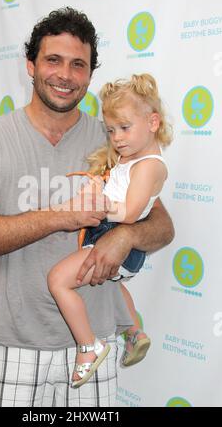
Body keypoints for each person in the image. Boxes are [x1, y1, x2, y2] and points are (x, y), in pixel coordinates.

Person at [0, 7, 174, 407]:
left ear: (90, 75)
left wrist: (124, 236)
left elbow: (160, 226)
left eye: (79, 64)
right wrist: (65, 216)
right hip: (15, 346)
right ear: (30, 65)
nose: (65, 75)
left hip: (97, 342)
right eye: (53, 60)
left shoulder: (114, 138)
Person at [47, 73, 173, 388]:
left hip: (113, 236)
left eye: (125, 128)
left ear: (153, 122)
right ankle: (133, 332)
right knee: (115, 287)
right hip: (110, 236)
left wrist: (93, 207)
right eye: (111, 130)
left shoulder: (149, 166)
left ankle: (89, 346)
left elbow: (130, 212)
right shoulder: (131, 160)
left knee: (58, 281)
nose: (116, 138)